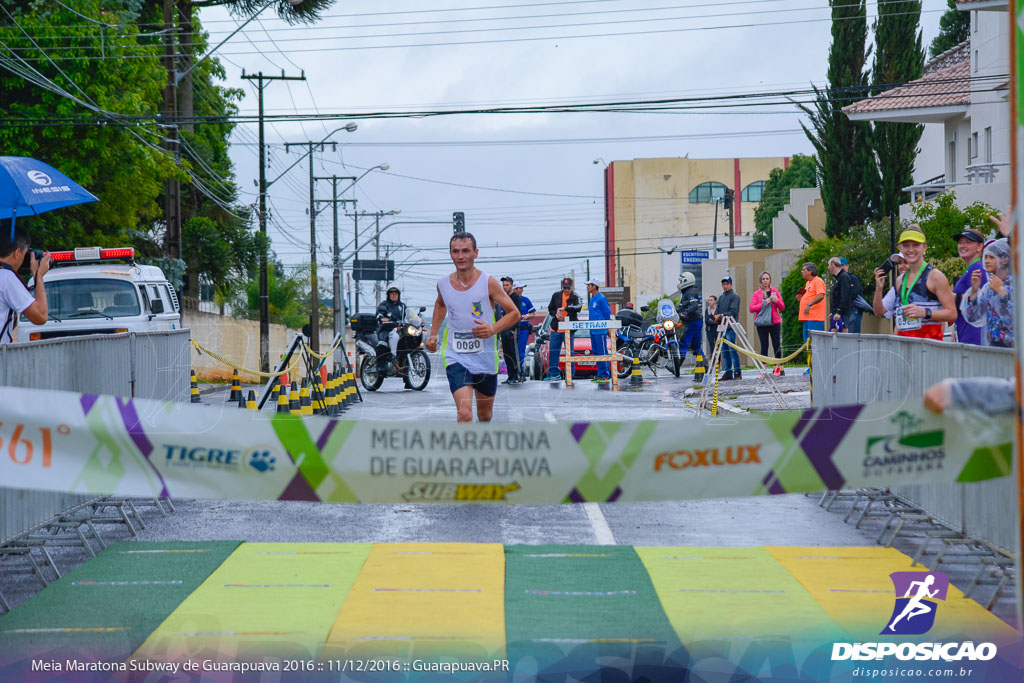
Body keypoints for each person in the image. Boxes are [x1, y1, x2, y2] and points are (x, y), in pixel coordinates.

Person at [425, 233, 520, 423]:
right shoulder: (443, 284)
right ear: (450, 254)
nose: (460, 256)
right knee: (465, 413)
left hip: (484, 356)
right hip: (455, 355)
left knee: (484, 415)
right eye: (456, 252)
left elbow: (514, 313)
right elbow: (440, 304)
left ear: (475, 253)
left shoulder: (488, 282)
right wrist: (433, 334)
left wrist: (492, 329)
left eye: (466, 251)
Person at [886, 227, 957, 340]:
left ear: (924, 248)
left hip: (928, 349)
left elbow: (952, 314)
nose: (910, 249)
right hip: (903, 347)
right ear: (900, 249)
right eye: (906, 245)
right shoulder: (900, 280)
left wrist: (925, 312)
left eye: (915, 245)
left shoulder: (935, 276)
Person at [0, 228, 50, 344]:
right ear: (17, 253)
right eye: (25, 254)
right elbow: (40, 316)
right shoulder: (6, 277)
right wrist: (38, 276)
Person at [961, 238, 1013, 348]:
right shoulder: (988, 287)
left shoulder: (1016, 284)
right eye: (985, 257)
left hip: (1015, 350)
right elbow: (973, 317)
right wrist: (974, 292)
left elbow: (1015, 317)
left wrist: (1002, 293)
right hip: (993, 348)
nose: (987, 261)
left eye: (992, 257)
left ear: (1004, 259)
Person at [950, 228, 988, 345]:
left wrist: (949, 297)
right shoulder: (970, 269)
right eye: (960, 242)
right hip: (965, 332)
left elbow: (982, 302)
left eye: (968, 242)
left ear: (979, 247)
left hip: (975, 337)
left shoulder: (978, 269)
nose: (962, 246)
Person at [544, 277, 581, 381]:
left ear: (571, 287)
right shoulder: (556, 295)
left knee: (570, 352)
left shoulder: (575, 296)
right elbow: (550, 308)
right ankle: (554, 374)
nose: (566, 290)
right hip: (556, 328)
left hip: (568, 330)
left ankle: (571, 374)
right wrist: (556, 314)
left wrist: (565, 310)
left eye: (568, 288)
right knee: (553, 351)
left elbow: (578, 307)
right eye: (564, 287)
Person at [749, 270, 785, 376]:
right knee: (764, 345)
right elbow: (752, 308)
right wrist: (764, 303)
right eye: (763, 279)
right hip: (762, 323)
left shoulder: (775, 291)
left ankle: (777, 367)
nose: (765, 281)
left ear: (770, 280)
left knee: (776, 344)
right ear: (760, 280)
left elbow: (782, 307)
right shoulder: (756, 294)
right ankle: (764, 368)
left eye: (767, 279)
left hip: (775, 322)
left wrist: (776, 301)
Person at [798, 263, 827, 374]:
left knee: (815, 344)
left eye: (804, 269)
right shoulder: (808, 283)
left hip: (815, 318)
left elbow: (821, 295)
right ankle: (811, 367)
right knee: (808, 344)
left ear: (810, 271)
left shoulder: (818, 281)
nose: (802, 271)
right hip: (807, 318)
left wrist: (809, 304)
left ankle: (817, 368)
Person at [375, 284, 408, 375]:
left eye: (396, 293)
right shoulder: (384, 305)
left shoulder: (403, 306)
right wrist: (382, 318)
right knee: (382, 343)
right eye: (391, 293)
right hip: (386, 329)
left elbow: (408, 315)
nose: (394, 295)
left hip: (400, 329)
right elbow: (379, 314)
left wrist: (416, 320)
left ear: (399, 294)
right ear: (388, 294)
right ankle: (380, 365)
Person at [585, 278, 612, 384]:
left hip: (600, 330)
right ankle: (600, 374)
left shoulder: (601, 298)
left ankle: (605, 375)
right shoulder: (592, 299)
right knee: (596, 353)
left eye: (589, 285)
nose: (587, 287)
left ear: (594, 286)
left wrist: (608, 327)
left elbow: (606, 313)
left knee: (602, 352)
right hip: (593, 330)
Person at [497, 276, 523, 384]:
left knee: (514, 353)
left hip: (512, 329)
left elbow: (518, 314)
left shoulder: (516, 297)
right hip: (504, 329)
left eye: (507, 285)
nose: (505, 287)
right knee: (506, 354)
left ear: (512, 285)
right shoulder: (504, 297)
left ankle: (518, 375)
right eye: (503, 285)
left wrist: (513, 329)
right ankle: (510, 375)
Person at [715, 276, 741, 381]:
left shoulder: (735, 296)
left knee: (732, 350)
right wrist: (716, 317)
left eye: (727, 284)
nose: (725, 286)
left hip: (730, 326)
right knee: (724, 351)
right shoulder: (721, 297)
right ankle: (728, 372)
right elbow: (717, 311)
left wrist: (721, 315)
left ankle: (737, 371)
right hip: (722, 327)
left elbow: (733, 311)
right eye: (724, 284)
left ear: (731, 284)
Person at [676, 271, 704, 368]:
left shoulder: (690, 292)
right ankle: (705, 366)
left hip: (692, 321)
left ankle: (677, 365)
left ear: (686, 281)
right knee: (696, 346)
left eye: (681, 281)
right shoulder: (686, 292)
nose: (679, 283)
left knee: (684, 342)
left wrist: (686, 313)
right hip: (696, 321)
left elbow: (694, 305)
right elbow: (681, 307)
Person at [872, 253, 909, 320]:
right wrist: (879, 288)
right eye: (900, 263)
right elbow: (878, 312)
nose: (902, 266)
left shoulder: (926, 283)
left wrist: (925, 313)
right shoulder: (896, 288)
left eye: (906, 262)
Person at [514, 281, 535, 379]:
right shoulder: (508, 300)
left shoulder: (525, 300)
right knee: (512, 351)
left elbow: (533, 314)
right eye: (520, 288)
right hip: (512, 329)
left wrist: (527, 316)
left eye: (522, 288)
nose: (522, 290)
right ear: (515, 289)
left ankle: (521, 371)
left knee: (521, 351)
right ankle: (513, 372)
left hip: (523, 330)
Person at [827, 257, 853, 333]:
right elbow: (837, 296)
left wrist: (839, 312)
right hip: (836, 313)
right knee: (833, 334)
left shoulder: (844, 277)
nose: (828, 268)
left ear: (832, 265)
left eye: (828, 265)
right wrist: (834, 311)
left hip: (842, 314)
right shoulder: (838, 278)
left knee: (842, 337)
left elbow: (845, 296)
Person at [840, 257, 864, 333]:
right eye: (839, 265)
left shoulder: (853, 278)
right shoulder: (839, 280)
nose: (841, 267)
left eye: (843, 265)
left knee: (853, 334)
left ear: (847, 266)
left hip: (854, 309)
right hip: (844, 311)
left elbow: (854, 294)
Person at [704, 295, 718, 361]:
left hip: (717, 329)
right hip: (710, 330)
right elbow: (707, 320)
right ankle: (713, 361)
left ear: (715, 301)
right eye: (709, 300)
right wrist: (714, 321)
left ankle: (719, 361)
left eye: (711, 300)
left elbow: (719, 320)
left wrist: (713, 320)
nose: (710, 302)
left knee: (718, 345)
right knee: (712, 346)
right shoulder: (708, 310)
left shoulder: (718, 309)